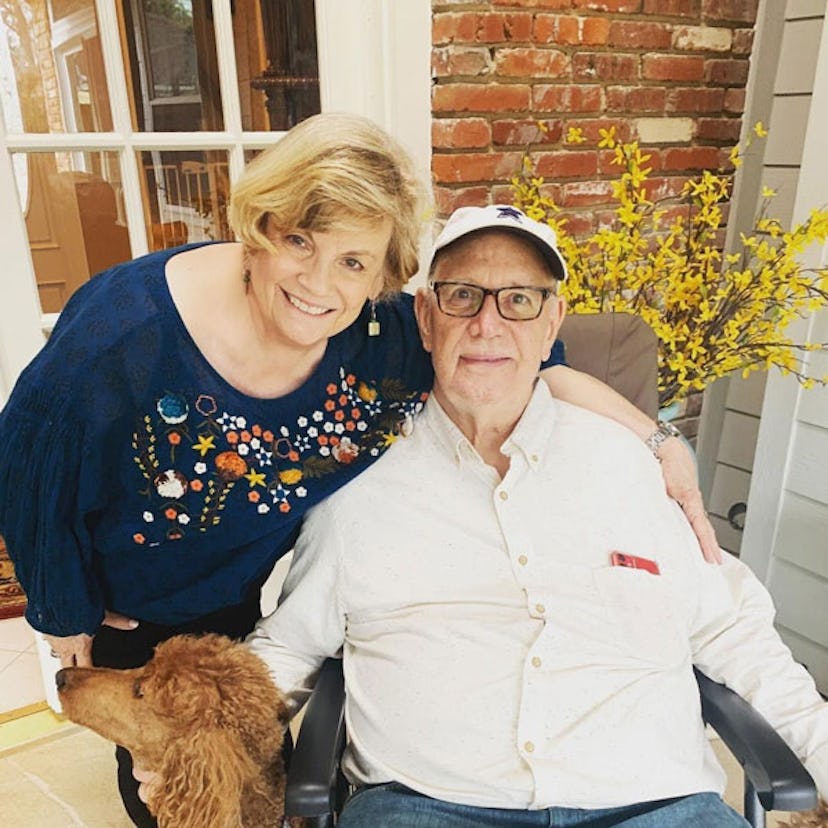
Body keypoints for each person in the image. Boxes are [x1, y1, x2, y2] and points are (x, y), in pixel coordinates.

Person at [0, 113, 706, 827]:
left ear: (383, 277)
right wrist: (66, 610)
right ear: (259, 226)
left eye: (353, 261)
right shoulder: (124, 332)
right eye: (298, 240)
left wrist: (661, 442)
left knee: (254, 772)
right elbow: (31, 468)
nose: (317, 284)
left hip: (258, 582)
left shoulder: (382, 335)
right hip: (148, 599)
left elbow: (536, 366)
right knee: (171, 792)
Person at [247, 205, 828, 828]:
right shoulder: (360, 481)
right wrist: (193, 743)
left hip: (655, 805)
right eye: (463, 296)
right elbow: (288, 647)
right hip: (428, 808)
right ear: (424, 317)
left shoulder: (632, 466)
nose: (488, 326)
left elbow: (734, 633)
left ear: (552, 323)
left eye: (519, 300)